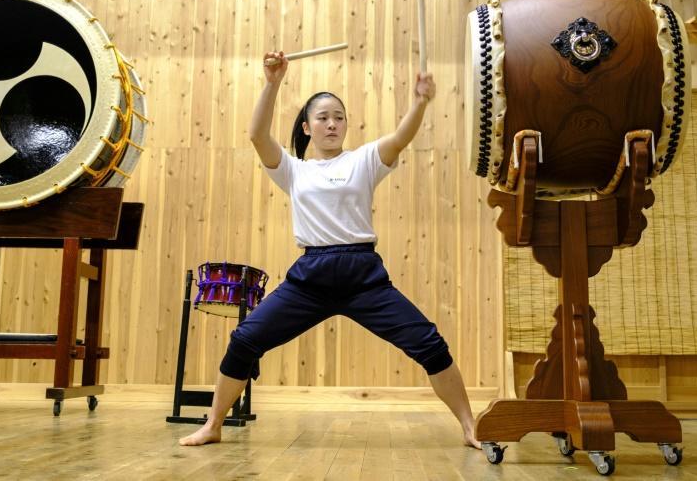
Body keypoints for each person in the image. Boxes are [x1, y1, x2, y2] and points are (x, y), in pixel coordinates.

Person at [180, 51, 480, 449]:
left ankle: (470, 427)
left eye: (338, 117)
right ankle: (213, 425)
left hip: (363, 276)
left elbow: (400, 138)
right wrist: (272, 83)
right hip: (311, 278)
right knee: (245, 339)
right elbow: (257, 136)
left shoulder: (364, 160)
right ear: (307, 127)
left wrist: (420, 103)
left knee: (429, 344)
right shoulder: (293, 170)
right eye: (322, 118)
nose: (332, 123)